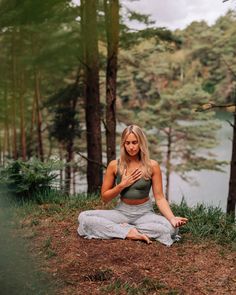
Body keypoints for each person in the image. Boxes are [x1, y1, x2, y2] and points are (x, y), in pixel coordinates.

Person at [78, 125, 188, 246]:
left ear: (141, 142)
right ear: (123, 145)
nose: (131, 147)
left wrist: (172, 218)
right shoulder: (114, 165)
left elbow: (160, 198)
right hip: (122, 212)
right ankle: (129, 232)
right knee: (84, 217)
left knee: (172, 229)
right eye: (127, 143)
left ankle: (122, 229)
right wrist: (122, 185)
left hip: (144, 213)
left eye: (135, 142)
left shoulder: (152, 166)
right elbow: (105, 198)